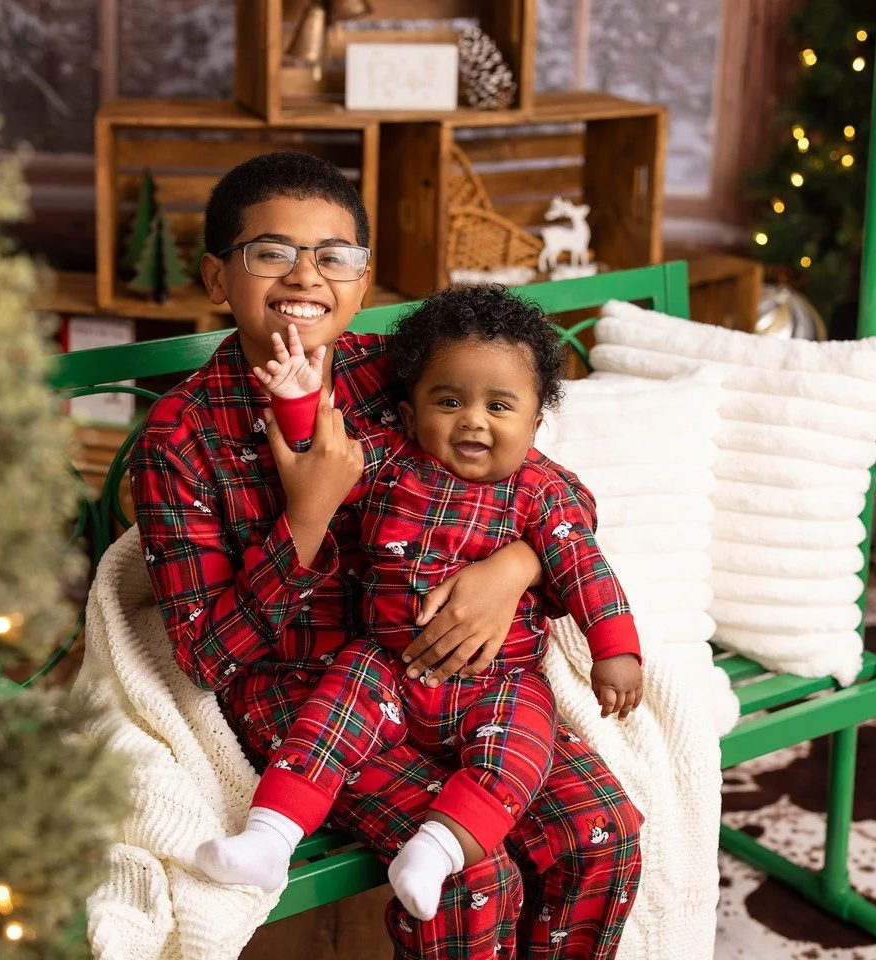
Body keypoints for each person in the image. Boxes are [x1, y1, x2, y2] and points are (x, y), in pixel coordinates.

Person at [130, 150, 643, 958]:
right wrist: (306, 516)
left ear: (361, 284)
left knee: (603, 831)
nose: (305, 276)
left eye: (333, 256)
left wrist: (509, 569)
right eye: (271, 252)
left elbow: (557, 497)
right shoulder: (181, 438)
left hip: (457, 671)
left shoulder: (401, 372)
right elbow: (204, 657)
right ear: (217, 277)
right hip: (311, 696)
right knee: (472, 877)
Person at [194, 290, 644, 922]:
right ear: (410, 415)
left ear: (536, 424)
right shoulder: (391, 463)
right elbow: (325, 462)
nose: (473, 421)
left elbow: (587, 570)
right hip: (388, 665)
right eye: (450, 402)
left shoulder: (541, 493)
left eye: (499, 406)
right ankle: (268, 839)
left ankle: (436, 849)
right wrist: (297, 402)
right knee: (329, 720)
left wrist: (616, 651)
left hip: (499, 682)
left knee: (518, 753)